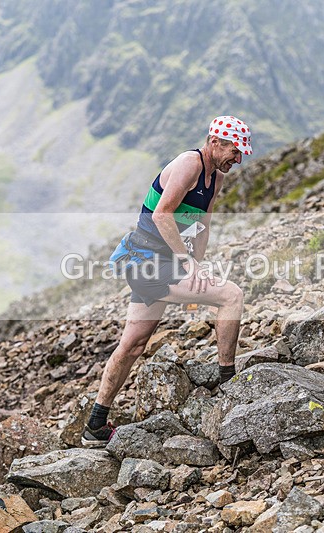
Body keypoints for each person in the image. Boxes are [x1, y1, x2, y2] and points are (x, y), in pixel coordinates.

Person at [81, 116, 253, 447]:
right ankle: (229, 384)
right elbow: (161, 214)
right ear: (214, 142)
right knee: (231, 296)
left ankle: (95, 425)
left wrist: (197, 266)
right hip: (146, 261)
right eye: (235, 151)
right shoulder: (189, 164)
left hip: (159, 264)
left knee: (133, 344)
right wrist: (189, 266)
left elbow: (202, 223)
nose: (238, 158)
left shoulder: (215, 178)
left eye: (241, 153)